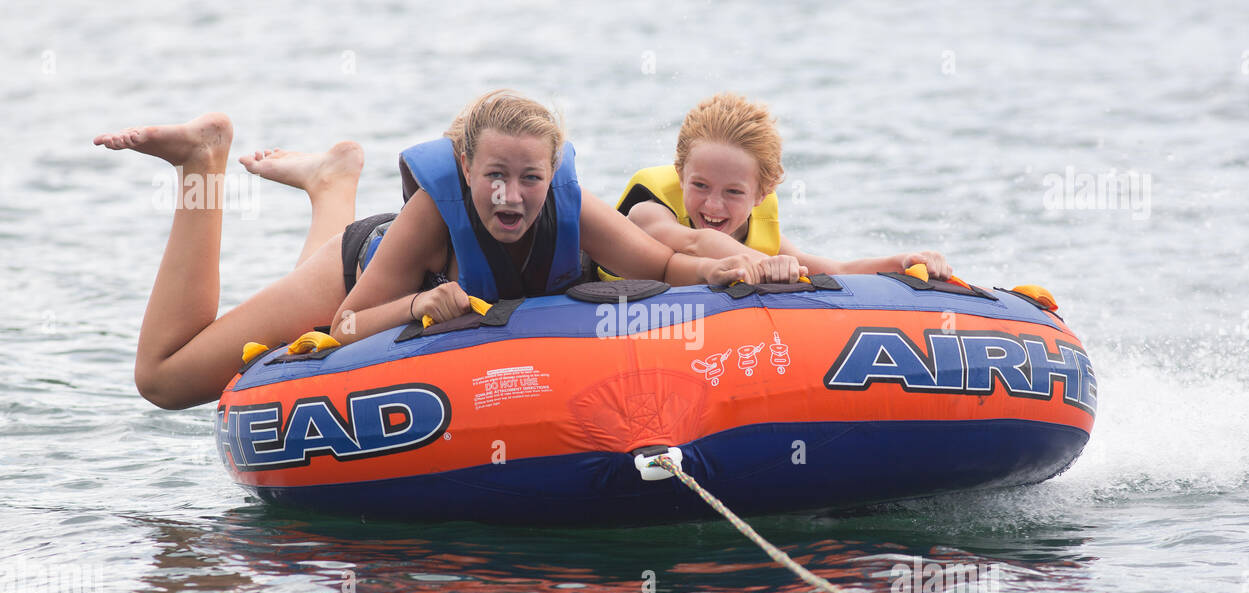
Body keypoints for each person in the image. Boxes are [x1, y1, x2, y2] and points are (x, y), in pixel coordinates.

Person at [94, 92, 803, 410]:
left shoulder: (570, 206)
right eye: (494, 176)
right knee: (164, 380)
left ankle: (329, 179)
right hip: (372, 264)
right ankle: (203, 163)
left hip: (399, 280)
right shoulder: (432, 210)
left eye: (530, 178)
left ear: (552, 173)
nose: (511, 197)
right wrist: (416, 302)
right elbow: (343, 324)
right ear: (464, 168)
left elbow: (671, 263)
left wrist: (723, 266)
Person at [598, 93, 953, 281]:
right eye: (700, 185)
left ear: (762, 192)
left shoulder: (758, 232)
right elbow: (695, 242)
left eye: (733, 192)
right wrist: (766, 264)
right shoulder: (648, 211)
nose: (714, 205)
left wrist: (903, 261)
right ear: (680, 173)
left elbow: (835, 271)